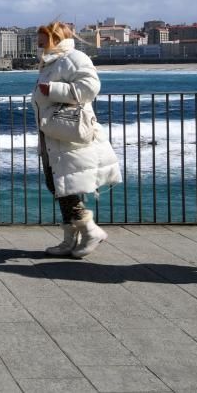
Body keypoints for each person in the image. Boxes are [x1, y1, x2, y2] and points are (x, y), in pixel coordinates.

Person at [33, 21, 121, 258]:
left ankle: (89, 230)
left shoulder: (74, 57)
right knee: (59, 185)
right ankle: (69, 240)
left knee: (62, 185)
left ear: (55, 38)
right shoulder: (52, 60)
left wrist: (51, 89)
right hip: (53, 134)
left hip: (68, 135)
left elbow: (90, 87)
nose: (38, 44)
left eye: (42, 40)